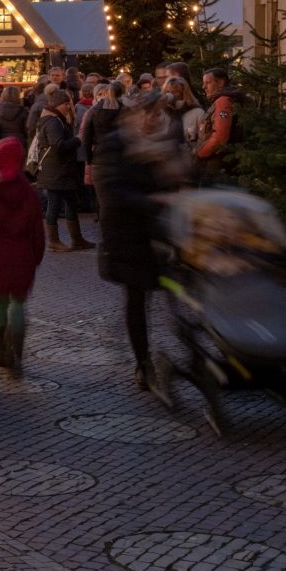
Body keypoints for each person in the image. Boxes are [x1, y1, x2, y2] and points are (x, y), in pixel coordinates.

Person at [96, 91, 190, 393]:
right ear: (134, 115)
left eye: (158, 113)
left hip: (162, 234)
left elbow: (180, 177)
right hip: (128, 236)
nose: (153, 119)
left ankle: (194, 358)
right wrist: (153, 200)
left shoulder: (164, 144)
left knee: (179, 293)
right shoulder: (115, 144)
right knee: (137, 299)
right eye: (148, 113)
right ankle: (143, 361)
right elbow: (113, 190)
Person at [0, 135, 47, 374]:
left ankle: (1, 350)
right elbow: (38, 229)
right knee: (18, 301)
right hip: (22, 253)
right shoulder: (28, 192)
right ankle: (16, 346)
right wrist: (36, 255)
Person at [32, 87, 91, 251]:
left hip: (60, 170)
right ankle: (53, 241)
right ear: (59, 104)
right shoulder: (52, 122)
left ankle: (76, 239)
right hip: (55, 170)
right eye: (66, 104)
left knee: (70, 202)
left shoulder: (54, 119)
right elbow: (58, 145)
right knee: (54, 204)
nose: (69, 107)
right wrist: (78, 140)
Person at [193, 68, 239, 180]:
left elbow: (220, 137)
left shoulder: (223, 102)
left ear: (220, 83)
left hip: (216, 164)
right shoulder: (223, 100)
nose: (203, 87)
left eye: (207, 83)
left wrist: (200, 154)